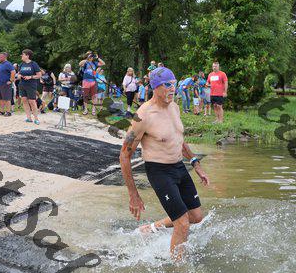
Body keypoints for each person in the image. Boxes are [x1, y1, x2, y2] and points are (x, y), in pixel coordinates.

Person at [120, 67, 210, 261]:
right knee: (182, 224)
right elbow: (124, 155)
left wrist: (195, 163)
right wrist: (133, 194)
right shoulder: (143, 116)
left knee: (196, 216)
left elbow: (177, 139)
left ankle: (151, 228)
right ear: (155, 87)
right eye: (168, 85)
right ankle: (177, 269)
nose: (173, 88)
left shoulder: (174, 107)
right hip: (159, 171)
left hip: (179, 167)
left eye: (174, 84)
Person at [18, 49, 42, 124]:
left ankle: (36, 119)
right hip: (22, 84)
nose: (21, 56)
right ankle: (29, 118)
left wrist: (30, 77)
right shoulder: (21, 64)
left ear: (27, 56)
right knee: (24, 100)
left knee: (32, 101)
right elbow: (18, 73)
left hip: (31, 85)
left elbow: (39, 75)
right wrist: (19, 76)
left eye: (23, 54)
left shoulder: (33, 64)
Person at [79, 52, 105, 116]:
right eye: (90, 56)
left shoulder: (94, 63)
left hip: (93, 81)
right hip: (86, 81)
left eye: (92, 56)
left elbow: (103, 63)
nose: (91, 57)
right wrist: (87, 58)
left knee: (94, 96)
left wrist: (98, 58)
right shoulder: (85, 62)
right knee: (85, 96)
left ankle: (93, 110)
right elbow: (80, 64)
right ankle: (86, 110)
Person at [0, 52, 15, 116]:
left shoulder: (8, 64)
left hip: (5, 84)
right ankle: (2, 111)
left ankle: (8, 112)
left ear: (4, 57)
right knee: (0, 98)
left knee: (7, 98)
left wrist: (10, 80)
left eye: (0, 57)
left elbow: (13, 72)